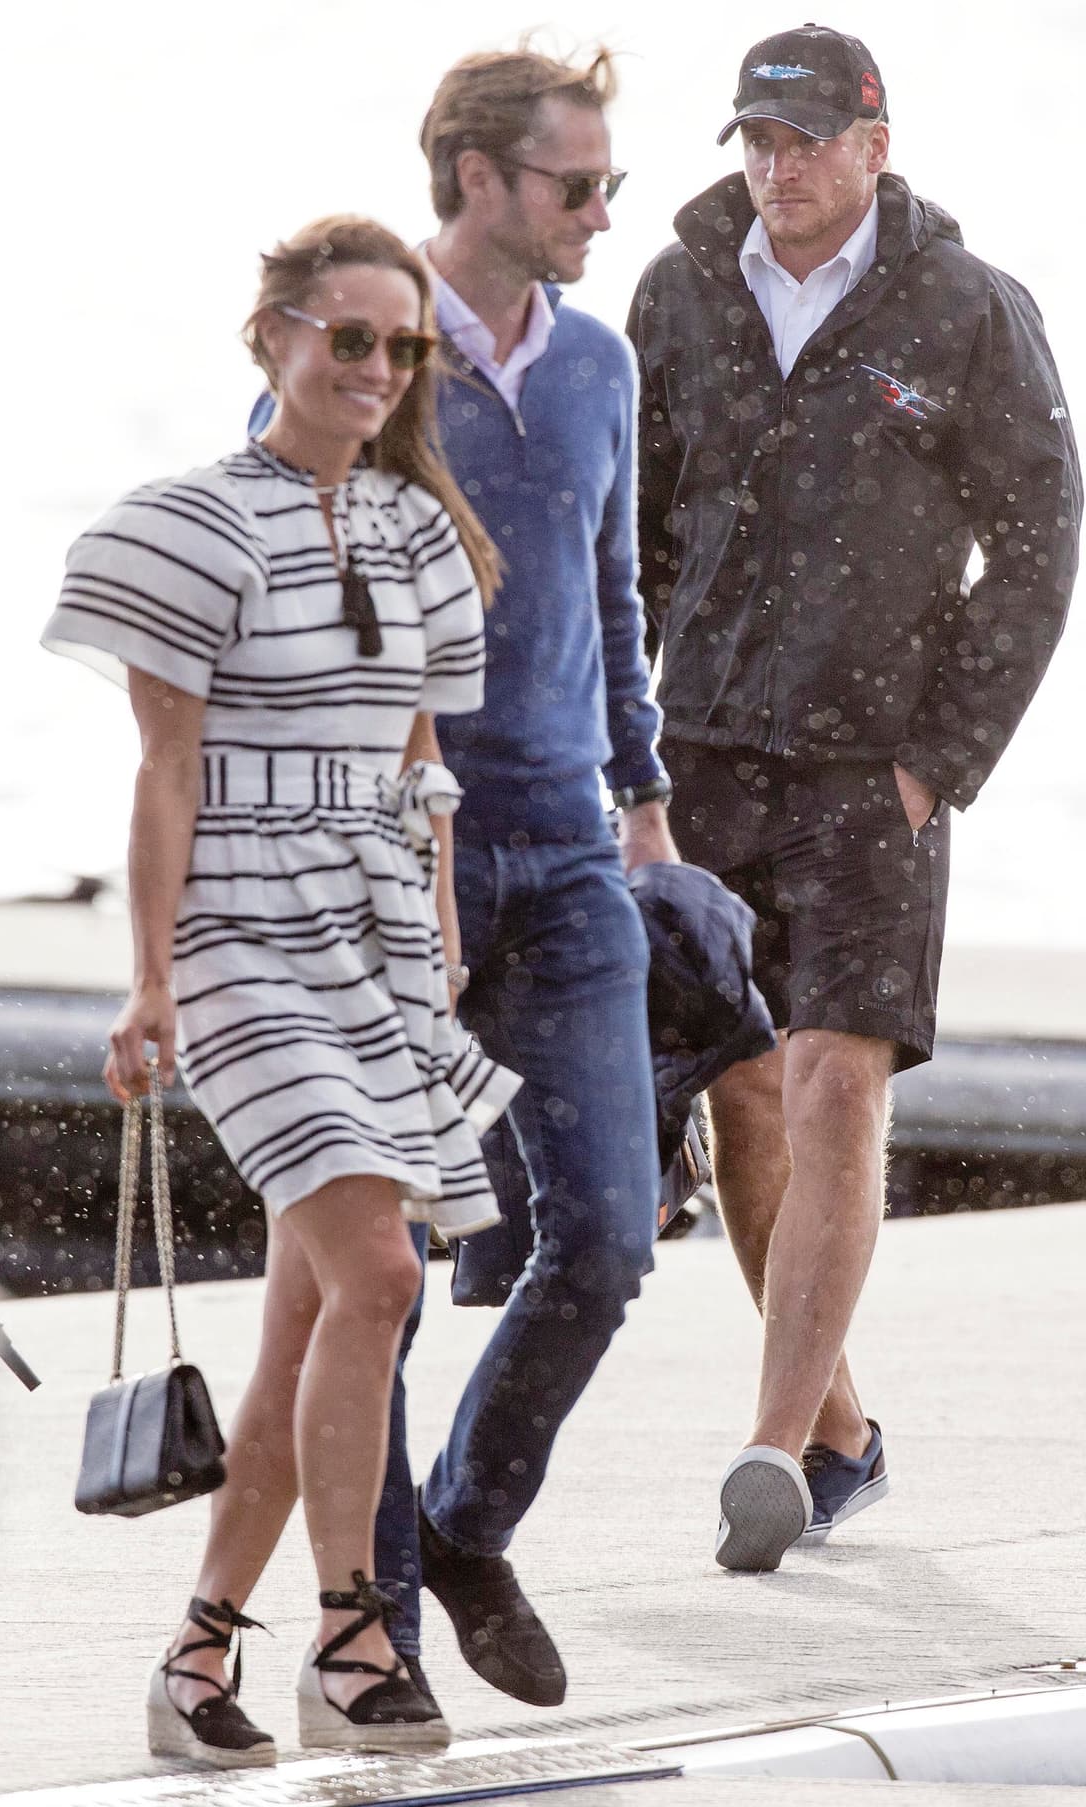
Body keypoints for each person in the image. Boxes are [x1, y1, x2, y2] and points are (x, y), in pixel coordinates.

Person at [42, 215, 522, 1764]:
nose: (377, 369)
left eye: (404, 347)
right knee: (381, 1274)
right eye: (350, 339)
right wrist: (149, 984)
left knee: (313, 1313)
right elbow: (164, 776)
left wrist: (440, 932)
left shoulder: (422, 538)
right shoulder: (181, 529)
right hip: (242, 944)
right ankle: (351, 1632)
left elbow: (420, 760)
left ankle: (196, 1663)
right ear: (275, 336)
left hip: (380, 949)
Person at [627, 24, 1081, 1572]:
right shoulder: (679, 292)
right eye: (759, 141)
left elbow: (1040, 545)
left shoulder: (968, 311)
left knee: (834, 1085)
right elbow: (639, 535)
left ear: (877, 144)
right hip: (699, 759)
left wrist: (933, 758)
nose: (781, 169)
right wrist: (622, 746)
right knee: (742, 1096)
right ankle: (837, 1429)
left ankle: (769, 1447)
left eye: (812, 141)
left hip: (869, 774)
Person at [371, 44, 674, 1708]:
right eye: (579, 187)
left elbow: (615, 591)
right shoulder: (363, 341)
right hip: (392, 858)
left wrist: (648, 809)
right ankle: (385, 1631)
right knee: (389, 1273)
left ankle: (470, 1518)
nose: (602, 215)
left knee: (611, 1237)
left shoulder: (600, 365)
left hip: (569, 853)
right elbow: (268, 564)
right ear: (479, 178)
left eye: (609, 185)